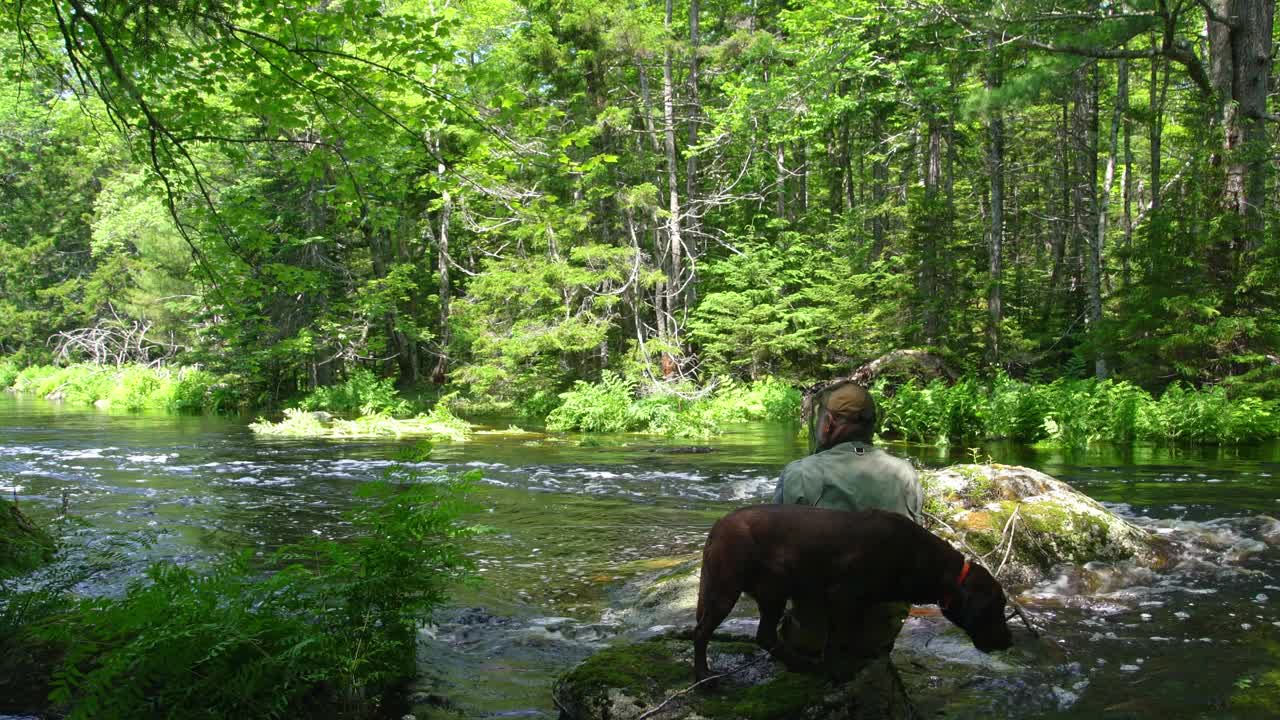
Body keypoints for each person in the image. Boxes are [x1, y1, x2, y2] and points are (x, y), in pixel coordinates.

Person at [771, 381, 922, 677]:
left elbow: (774, 555)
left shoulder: (801, 472)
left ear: (827, 423)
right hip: (880, 633)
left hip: (815, 635)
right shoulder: (905, 473)